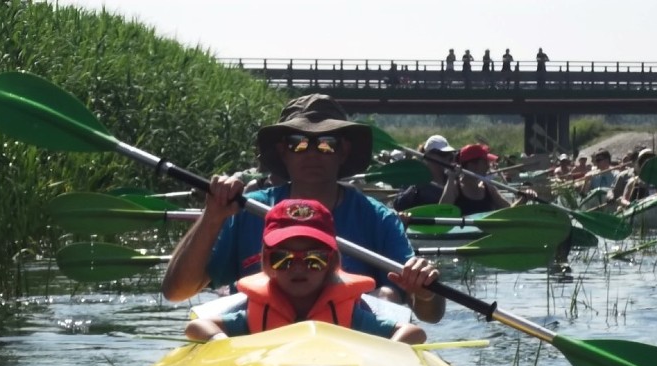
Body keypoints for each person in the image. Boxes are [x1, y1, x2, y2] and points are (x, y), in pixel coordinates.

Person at [161, 93, 445, 323]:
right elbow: (176, 291)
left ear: (343, 150)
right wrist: (212, 217)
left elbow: (431, 315)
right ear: (282, 151)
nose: (311, 152)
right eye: (298, 143)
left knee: (387, 295)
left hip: (353, 360)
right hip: (258, 353)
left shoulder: (377, 218)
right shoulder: (247, 211)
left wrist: (426, 292)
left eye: (325, 143)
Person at [185, 199, 427, 345]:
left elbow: (413, 332)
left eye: (313, 259)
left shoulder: (352, 315)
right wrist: (222, 343)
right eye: (284, 259)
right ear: (268, 264)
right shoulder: (255, 312)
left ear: (331, 264)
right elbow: (198, 327)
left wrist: (387, 353)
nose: (298, 267)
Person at [440, 144, 511, 215]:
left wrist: (521, 199)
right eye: (485, 162)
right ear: (472, 165)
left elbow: (510, 211)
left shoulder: (489, 189)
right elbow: (441, 212)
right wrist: (451, 177)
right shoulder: (454, 188)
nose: (488, 166)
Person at [392, 134, 456, 211]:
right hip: (420, 221)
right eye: (442, 154)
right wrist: (415, 187)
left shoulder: (452, 178)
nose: (447, 158)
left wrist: (451, 178)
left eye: (449, 155)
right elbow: (398, 206)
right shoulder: (414, 178)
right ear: (428, 156)